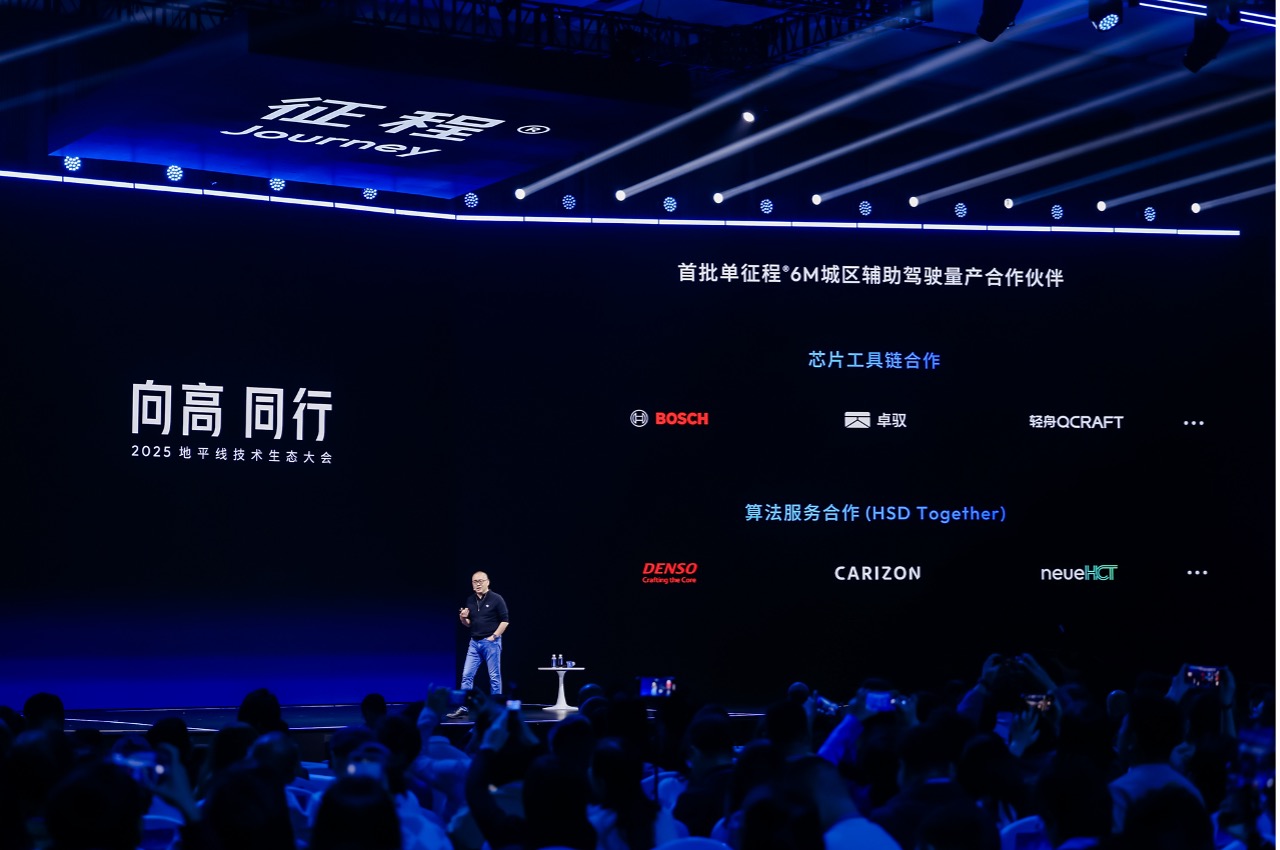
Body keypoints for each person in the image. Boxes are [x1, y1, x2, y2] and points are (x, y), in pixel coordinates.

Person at [448, 572, 510, 719]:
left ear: (488, 582)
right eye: (475, 581)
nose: (478, 584)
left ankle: (497, 708)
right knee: (466, 676)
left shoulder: (496, 598)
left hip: (491, 643)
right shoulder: (470, 600)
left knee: (494, 677)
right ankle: (464, 707)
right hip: (474, 643)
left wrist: (493, 637)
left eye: (481, 581)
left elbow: (505, 621)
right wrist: (463, 618)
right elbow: (469, 624)